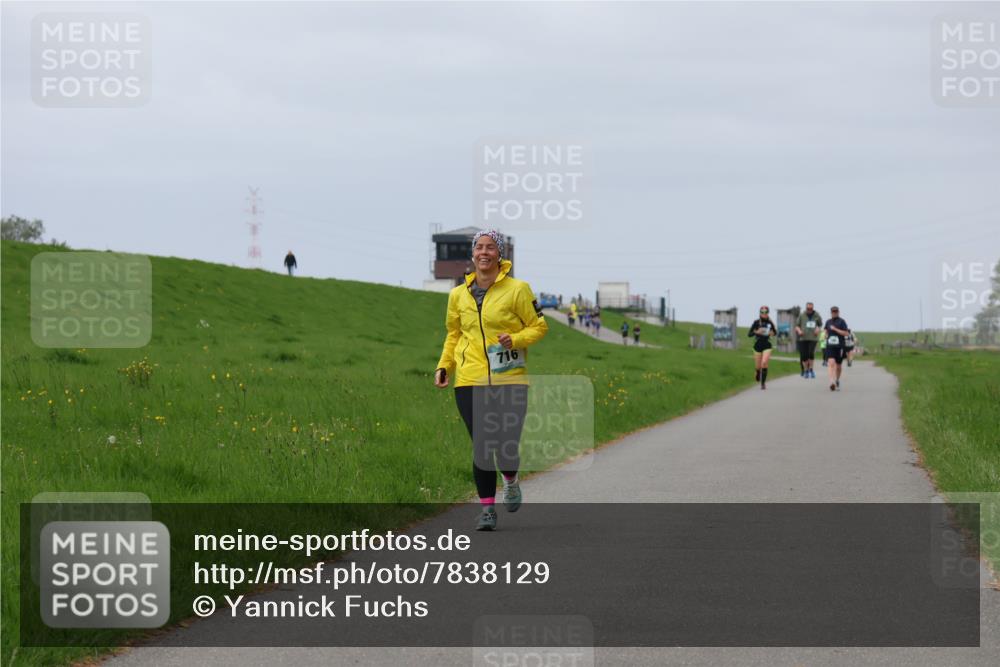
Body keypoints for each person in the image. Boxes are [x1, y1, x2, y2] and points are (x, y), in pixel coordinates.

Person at [434, 230, 548, 531]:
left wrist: (517, 338)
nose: (484, 252)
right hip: (469, 378)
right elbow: (453, 334)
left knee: (506, 445)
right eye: (479, 247)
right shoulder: (458, 295)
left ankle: (510, 478)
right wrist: (444, 365)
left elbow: (539, 326)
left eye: (490, 247)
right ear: (473, 254)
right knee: (483, 446)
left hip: (509, 378)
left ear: (500, 254)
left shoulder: (518, 289)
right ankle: (486, 510)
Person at [747, 306, 777, 390]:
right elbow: (749, 334)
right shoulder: (756, 322)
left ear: (768, 313)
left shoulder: (770, 323)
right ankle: (757, 371)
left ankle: (763, 383)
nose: (764, 314)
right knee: (758, 366)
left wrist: (772, 333)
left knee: (764, 363)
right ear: (760, 313)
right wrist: (757, 332)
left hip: (767, 345)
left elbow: (775, 332)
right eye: (762, 312)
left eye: (765, 312)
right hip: (757, 346)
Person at [824, 306, 850, 391]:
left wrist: (835, 329)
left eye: (836, 312)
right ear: (831, 313)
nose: (834, 313)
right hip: (830, 346)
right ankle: (832, 382)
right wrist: (825, 334)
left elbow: (846, 333)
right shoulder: (828, 322)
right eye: (833, 312)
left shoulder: (842, 322)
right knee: (831, 363)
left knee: (838, 365)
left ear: (838, 312)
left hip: (839, 347)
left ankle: (837, 380)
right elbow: (825, 330)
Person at [794, 302, 823, 379]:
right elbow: (796, 326)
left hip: (813, 338)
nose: (809, 310)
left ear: (813, 308)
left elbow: (820, 325)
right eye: (808, 308)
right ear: (806, 308)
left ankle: (811, 369)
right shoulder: (802, 315)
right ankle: (806, 370)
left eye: (811, 309)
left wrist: (818, 329)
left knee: (810, 353)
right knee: (804, 355)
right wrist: (799, 331)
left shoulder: (817, 315)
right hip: (803, 338)